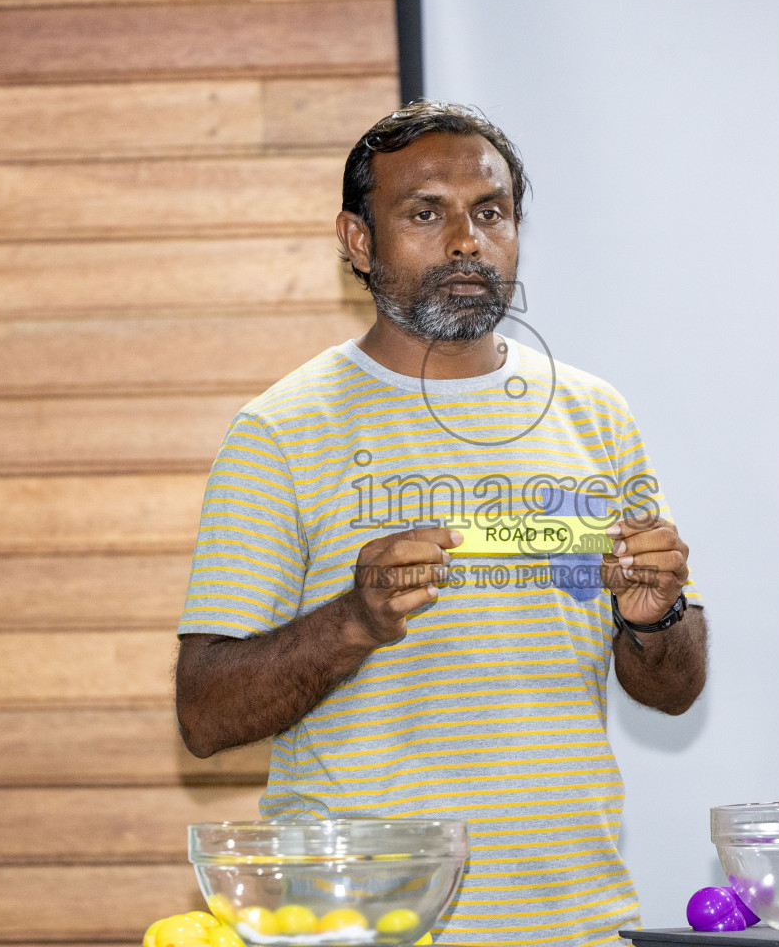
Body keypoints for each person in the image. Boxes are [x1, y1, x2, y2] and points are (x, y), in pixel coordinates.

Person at [174, 102, 707, 947]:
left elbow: (674, 689)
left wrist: (659, 617)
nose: (466, 240)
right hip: (365, 928)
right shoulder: (281, 430)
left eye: (489, 212)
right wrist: (355, 621)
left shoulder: (595, 416)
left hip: (576, 922)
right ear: (358, 241)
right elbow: (204, 716)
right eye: (426, 213)